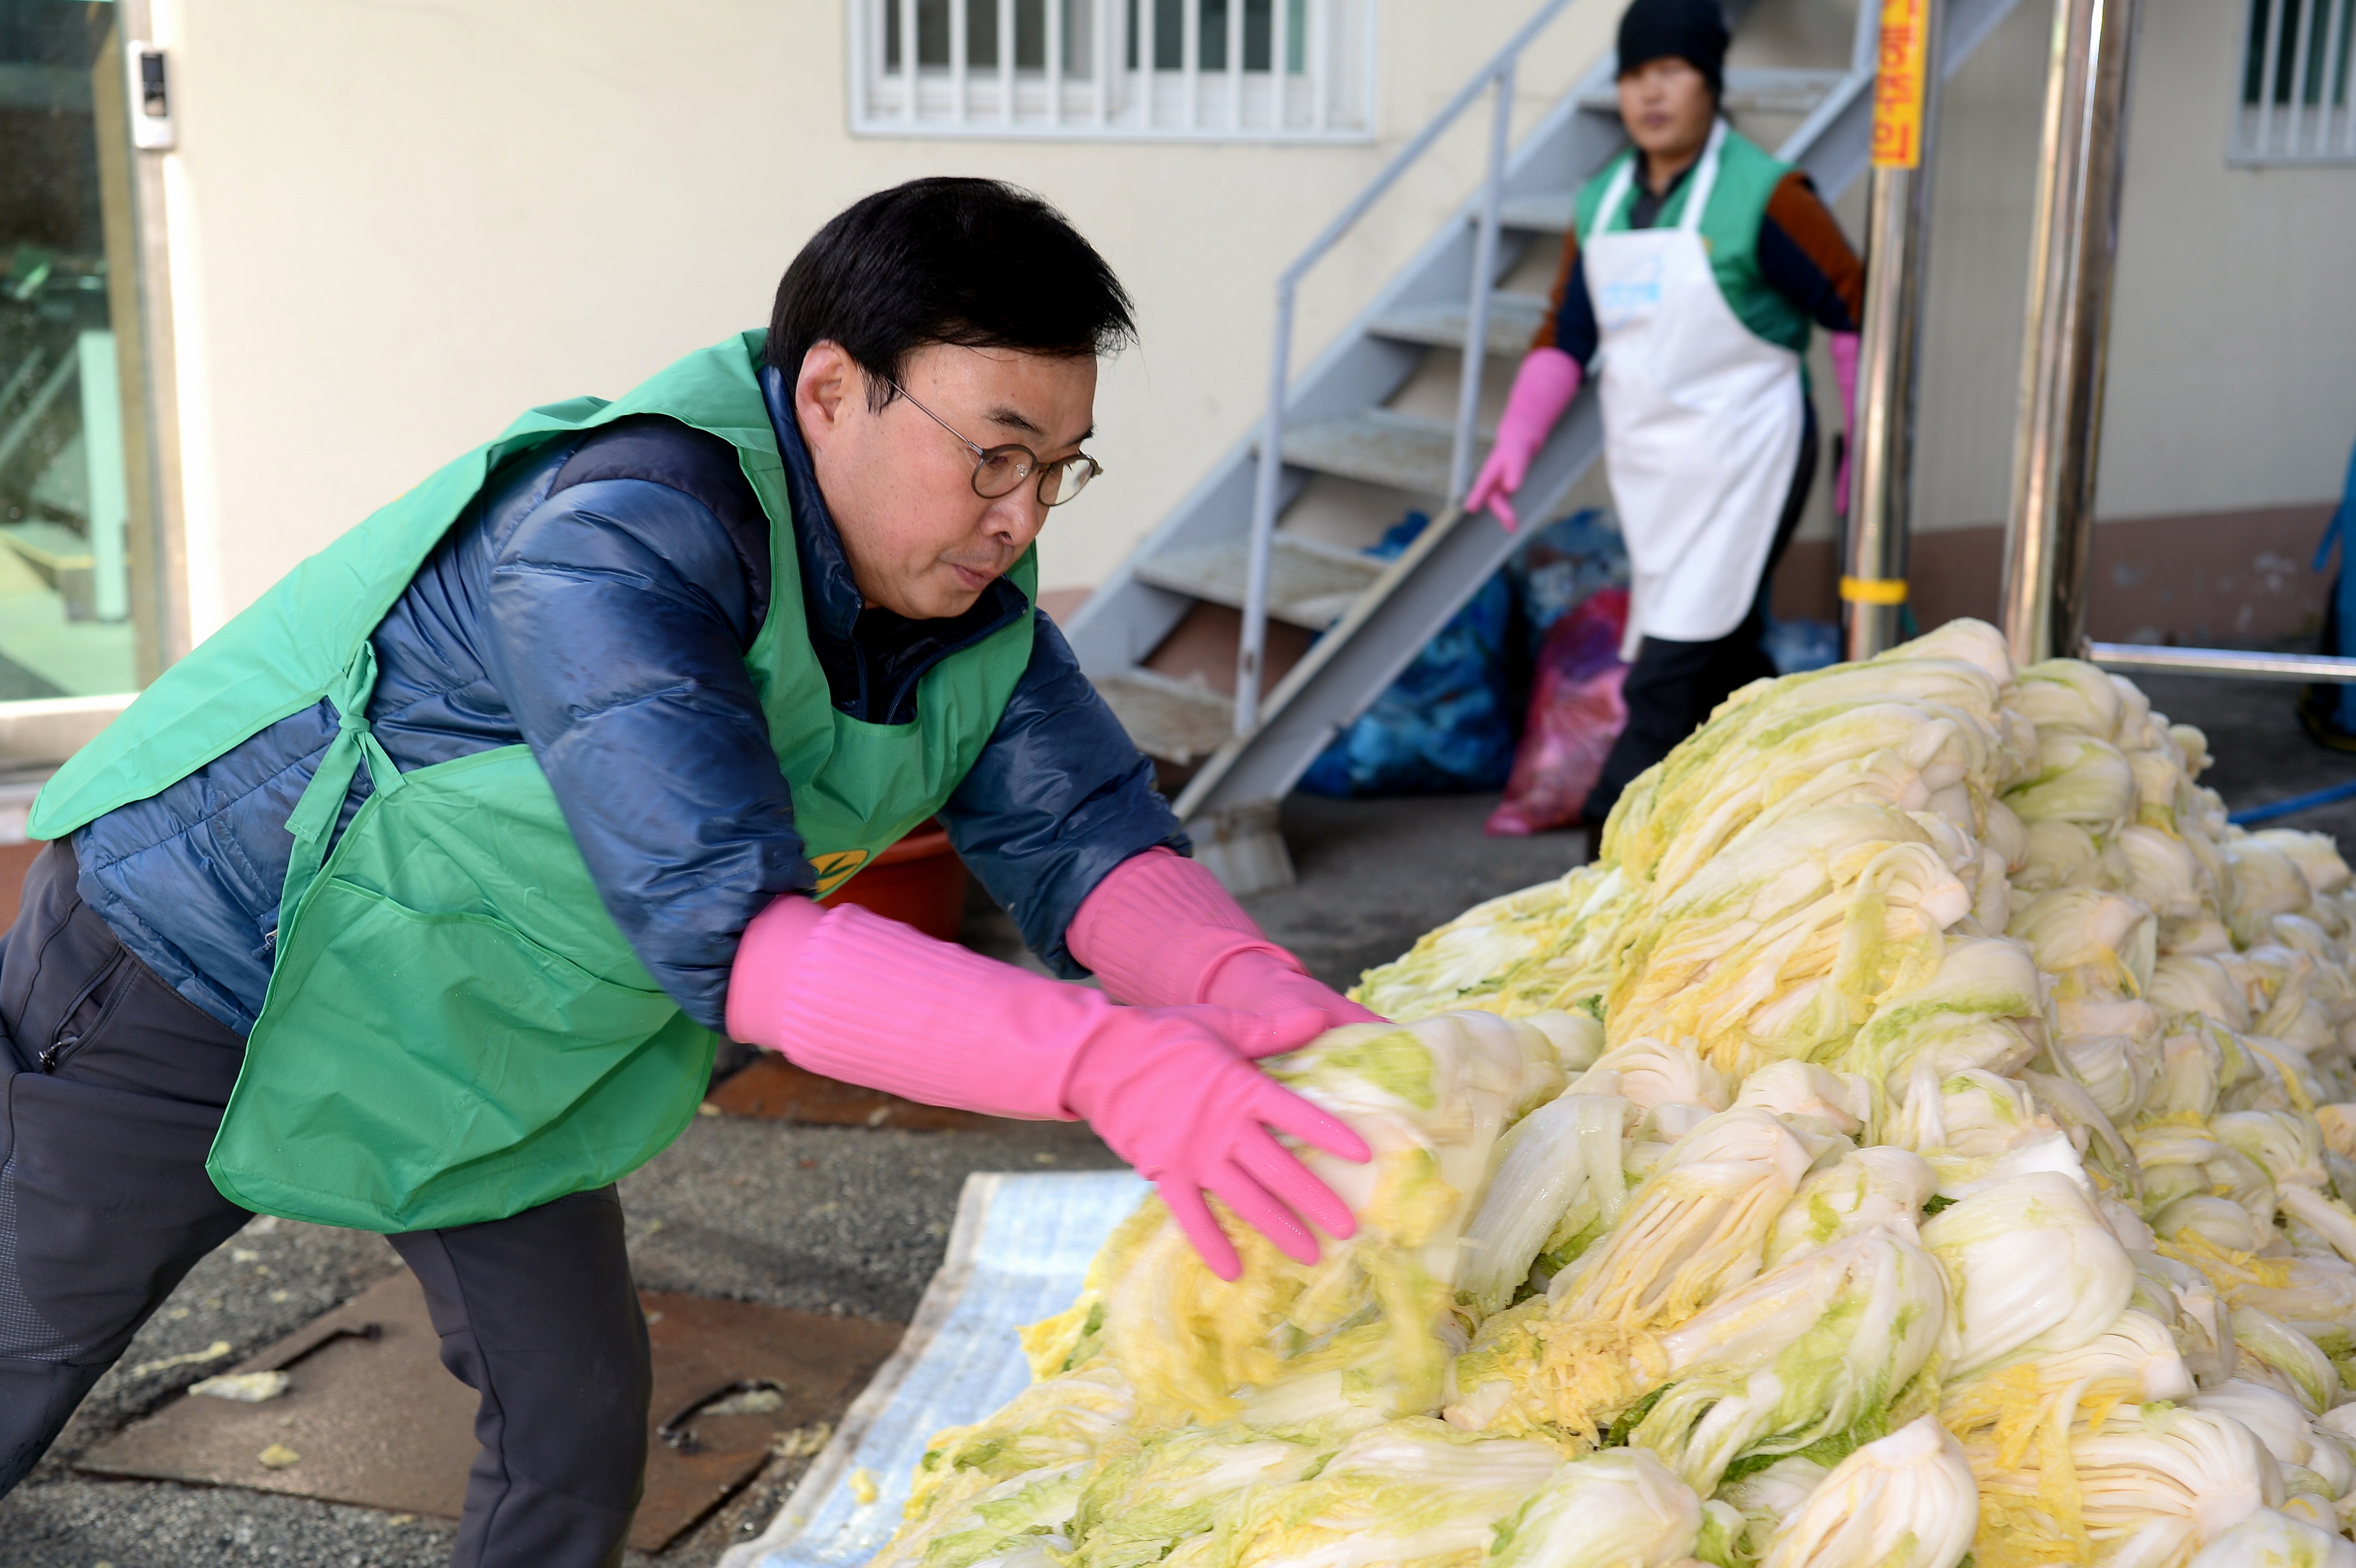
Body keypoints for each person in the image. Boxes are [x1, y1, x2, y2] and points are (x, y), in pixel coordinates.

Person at [0, 178, 1380, 1564]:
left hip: (471, 1024)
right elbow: (736, 934)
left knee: (574, 1421)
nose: (1019, 518)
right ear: (830, 392)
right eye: (992, 456)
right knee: (22, 1353)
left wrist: (1237, 978)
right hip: (195, 955)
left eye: (1057, 467)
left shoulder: (961, 611)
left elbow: (1085, 832)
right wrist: (1103, 1063)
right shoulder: (614, 536)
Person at [1467, 0, 1867, 825]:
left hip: (1749, 458)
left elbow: (1853, 310)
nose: (1650, 93)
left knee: (1665, 675)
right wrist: (1516, 438)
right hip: (1654, 474)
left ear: (1710, 83)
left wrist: (1865, 442)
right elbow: (1566, 335)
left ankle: (1603, 851)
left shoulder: (1768, 196)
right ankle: (1778, 815)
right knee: (1722, 660)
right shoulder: (1601, 202)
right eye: (1633, 75)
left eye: (1671, 71)